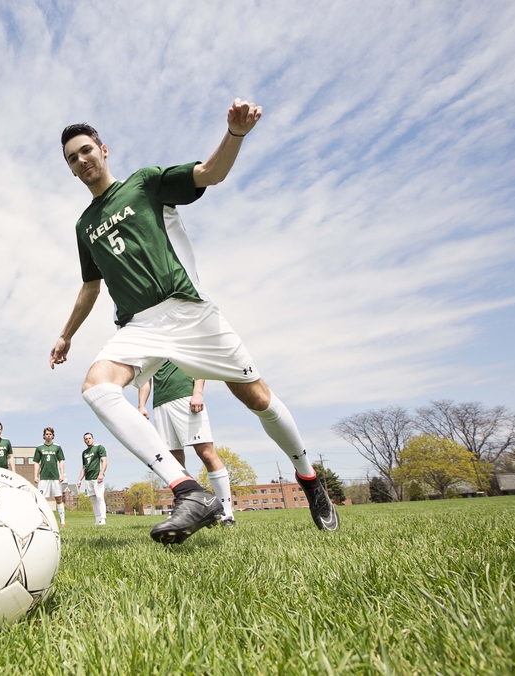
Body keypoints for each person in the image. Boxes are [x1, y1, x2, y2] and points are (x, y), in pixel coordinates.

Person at [49, 99, 339, 544]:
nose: (81, 160)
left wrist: (235, 135)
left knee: (258, 398)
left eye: (86, 150)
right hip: (139, 327)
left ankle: (308, 478)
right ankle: (188, 490)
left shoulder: (145, 183)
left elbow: (209, 174)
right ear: (70, 169)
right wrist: (66, 334)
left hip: (189, 311)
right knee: (96, 386)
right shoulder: (85, 225)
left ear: (104, 150)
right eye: (72, 158)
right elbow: (91, 287)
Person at [138, 360, 234, 526]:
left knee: (206, 452)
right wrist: (141, 405)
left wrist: (198, 392)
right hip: (160, 405)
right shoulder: (149, 344)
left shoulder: (178, 335)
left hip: (185, 397)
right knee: (174, 462)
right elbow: (146, 378)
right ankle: (194, 507)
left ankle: (227, 514)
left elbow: (197, 363)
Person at [33, 427, 67, 526]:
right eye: (46, 434)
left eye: (50, 434)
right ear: (44, 435)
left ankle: (63, 522)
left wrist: (62, 474)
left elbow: (61, 461)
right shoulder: (39, 448)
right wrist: (35, 476)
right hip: (43, 478)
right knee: (41, 500)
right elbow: (36, 462)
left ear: (53, 435)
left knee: (59, 498)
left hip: (55, 477)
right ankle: (42, 521)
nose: (48, 435)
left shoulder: (57, 447)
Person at [76, 432, 108, 525]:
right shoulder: (84, 453)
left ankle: (103, 518)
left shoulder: (99, 447)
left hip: (97, 477)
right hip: (88, 478)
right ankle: (97, 519)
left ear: (93, 438)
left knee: (99, 497)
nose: (88, 440)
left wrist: (101, 474)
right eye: (86, 439)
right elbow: (84, 467)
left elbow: (104, 461)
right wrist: (79, 480)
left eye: (89, 438)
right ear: (84, 441)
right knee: (93, 499)